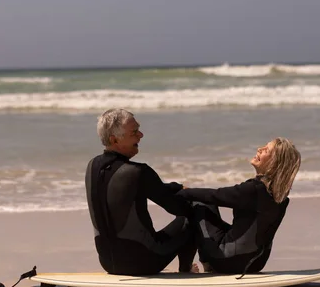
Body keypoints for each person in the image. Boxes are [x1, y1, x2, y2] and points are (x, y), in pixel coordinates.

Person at [85, 108, 197, 275]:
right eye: (134, 132)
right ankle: (186, 268)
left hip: (108, 263)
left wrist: (176, 187)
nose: (141, 135)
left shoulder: (92, 166)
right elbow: (177, 207)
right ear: (114, 139)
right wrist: (191, 196)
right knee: (195, 210)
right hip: (144, 263)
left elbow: (129, 189)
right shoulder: (139, 172)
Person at [176, 138, 301, 275]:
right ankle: (207, 264)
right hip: (256, 263)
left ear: (275, 163)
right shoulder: (281, 198)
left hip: (229, 262)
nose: (259, 149)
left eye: (266, 150)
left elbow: (214, 195)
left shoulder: (253, 190)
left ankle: (187, 268)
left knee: (198, 203)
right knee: (206, 203)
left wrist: (179, 191)